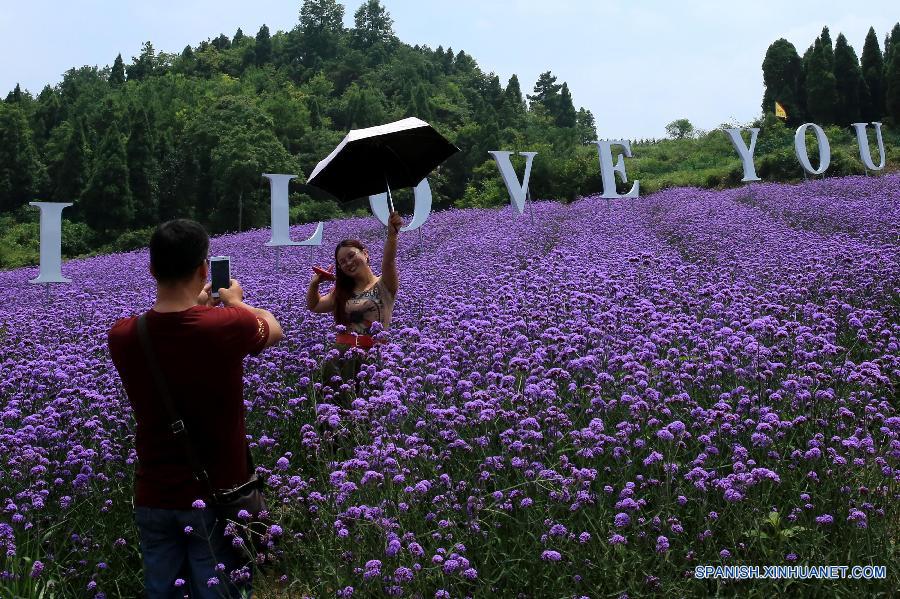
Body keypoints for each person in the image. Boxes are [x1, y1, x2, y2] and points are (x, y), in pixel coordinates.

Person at [108, 219, 282, 598]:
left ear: (152, 269)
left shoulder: (123, 335)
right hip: (217, 496)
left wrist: (200, 307)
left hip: (153, 496)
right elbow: (272, 327)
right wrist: (236, 303)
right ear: (205, 269)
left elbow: (170, 332)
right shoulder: (226, 325)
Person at [307, 211, 403, 347]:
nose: (348, 263)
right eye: (342, 262)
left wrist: (392, 236)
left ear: (365, 254)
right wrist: (314, 284)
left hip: (373, 358)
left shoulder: (384, 285)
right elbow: (315, 305)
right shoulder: (342, 291)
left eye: (351, 256)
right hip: (343, 359)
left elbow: (389, 263)